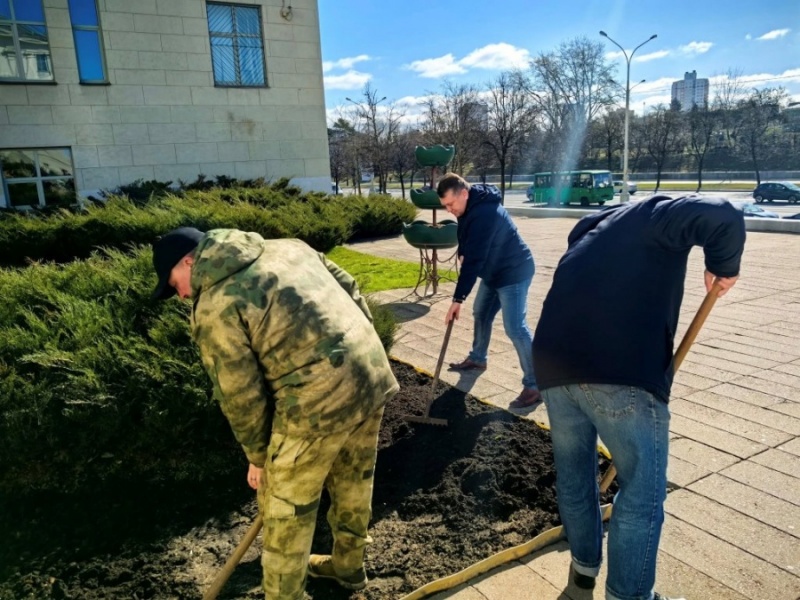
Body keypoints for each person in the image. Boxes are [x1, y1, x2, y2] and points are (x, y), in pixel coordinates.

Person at [151, 227, 399, 599]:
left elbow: (239, 393)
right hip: (370, 375)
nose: (181, 295)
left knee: (285, 512)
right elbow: (350, 288)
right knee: (354, 478)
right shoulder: (289, 248)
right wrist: (358, 352)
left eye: (174, 285)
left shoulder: (215, 305)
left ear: (189, 261)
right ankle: (349, 567)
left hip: (314, 404)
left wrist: (258, 457)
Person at [532, 195, 746, 600]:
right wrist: (724, 267)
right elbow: (725, 215)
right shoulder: (656, 212)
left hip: (553, 365)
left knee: (575, 478)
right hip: (620, 368)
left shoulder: (591, 229)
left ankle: (582, 576)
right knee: (642, 493)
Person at [436, 173, 540, 409]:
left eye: (450, 204)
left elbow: (474, 260)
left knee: (515, 328)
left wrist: (458, 299)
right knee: (481, 313)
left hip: (514, 272)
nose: (449, 210)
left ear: (464, 193)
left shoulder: (485, 213)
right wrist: (463, 251)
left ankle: (535, 385)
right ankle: (478, 358)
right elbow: (466, 238)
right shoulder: (469, 206)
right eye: (445, 206)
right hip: (493, 272)